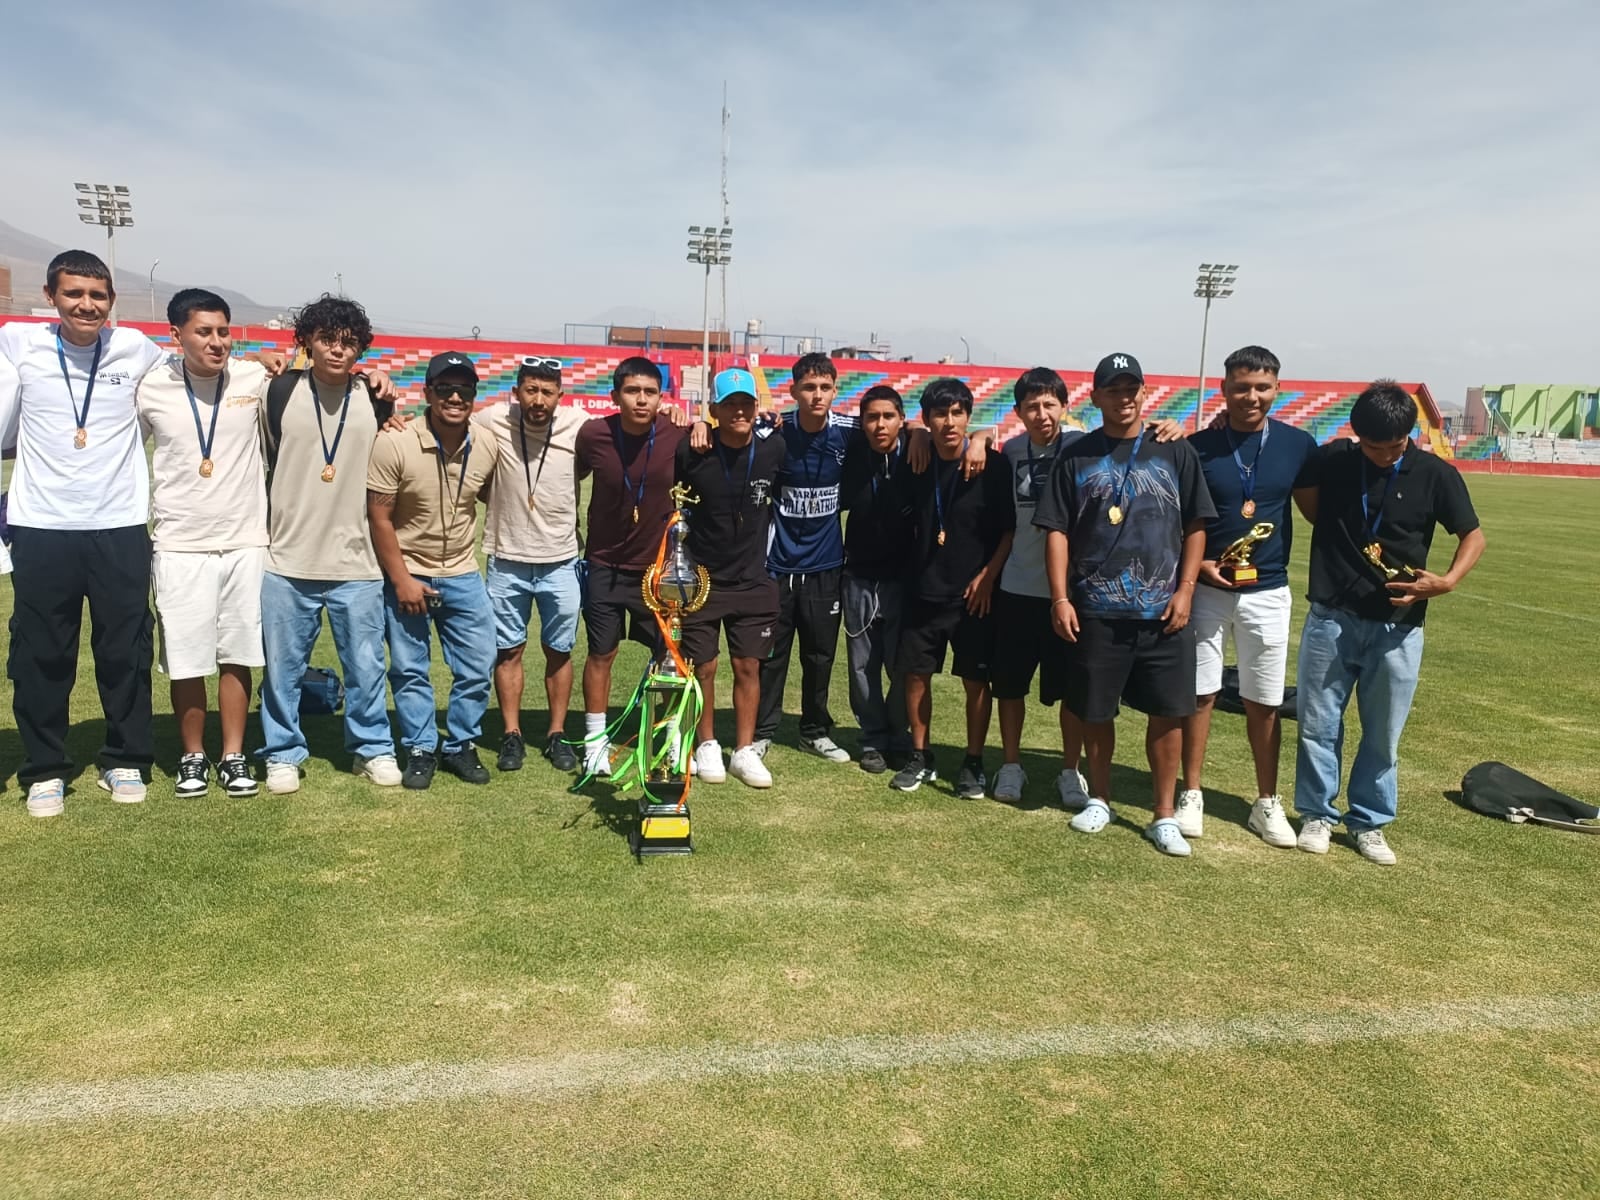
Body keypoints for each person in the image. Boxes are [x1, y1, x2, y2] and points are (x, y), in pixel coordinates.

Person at [0, 250, 167, 814]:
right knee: (42, 652)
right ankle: (45, 767)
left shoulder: (136, 350)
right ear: (51, 297)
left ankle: (126, 759)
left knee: (125, 650)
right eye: (74, 294)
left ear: (111, 301)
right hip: (43, 527)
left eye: (97, 295)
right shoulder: (17, 343)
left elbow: (198, 369)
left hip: (119, 524)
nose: (86, 304)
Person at [1294, 379, 1484, 865]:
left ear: (1410, 435)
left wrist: (1446, 582)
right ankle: (1317, 814)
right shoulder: (1334, 459)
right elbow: (1308, 501)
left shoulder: (1435, 474)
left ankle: (1369, 823)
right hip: (1331, 619)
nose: (1382, 455)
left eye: (1393, 447)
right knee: (1318, 724)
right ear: (1356, 435)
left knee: (1383, 733)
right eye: (1372, 447)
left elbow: (1473, 536)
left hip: (1399, 627)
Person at [1036, 352, 1215, 856]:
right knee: (1096, 712)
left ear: (1145, 391)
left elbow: (1197, 525)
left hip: (1163, 612)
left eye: (1132, 387)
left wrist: (1185, 591)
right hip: (1096, 608)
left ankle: (1163, 814)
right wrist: (1060, 598)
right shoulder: (1076, 455)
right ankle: (1102, 798)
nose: (1125, 397)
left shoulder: (1174, 450)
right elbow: (1056, 531)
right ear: (1095, 398)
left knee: (1168, 714)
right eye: (1113, 389)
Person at [258, 293, 399, 793]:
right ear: (307, 342)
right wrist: (260, 357)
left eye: (348, 343)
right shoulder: (278, 391)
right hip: (286, 557)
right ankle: (281, 752)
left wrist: (383, 384)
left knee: (365, 667)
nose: (338, 351)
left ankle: (372, 748)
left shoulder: (376, 396)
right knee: (282, 669)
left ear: (360, 348)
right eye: (327, 340)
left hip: (356, 561)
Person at [135, 288, 273, 798]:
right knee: (187, 656)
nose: (217, 343)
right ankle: (193, 756)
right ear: (177, 336)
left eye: (223, 331)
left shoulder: (255, 378)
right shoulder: (150, 388)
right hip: (179, 544)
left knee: (239, 653)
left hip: (245, 542)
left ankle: (234, 755)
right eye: (204, 332)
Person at [1179, 345, 1318, 846]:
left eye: (1262, 387)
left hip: (1268, 591)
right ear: (1224, 390)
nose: (1251, 397)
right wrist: (1200, 566)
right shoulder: (1197, 446)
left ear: (1277, 389)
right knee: (1200, 693)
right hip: (1209, 589)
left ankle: (1266, 802)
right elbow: (1180, 521)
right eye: (1241, 387)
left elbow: (1316, 513)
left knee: (1265, 699)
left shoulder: (1298, 445)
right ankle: (1190, 793)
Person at [366, 352, 498, 789]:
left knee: (478, 665)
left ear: (475, 397)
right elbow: (379, 518)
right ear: (428, 393)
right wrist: (401, 579)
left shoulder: (487, 443)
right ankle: (421, 747)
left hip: (462, 571)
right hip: (409, 571)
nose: (455, 396)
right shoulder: (395, 442)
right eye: (445, 388)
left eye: (464, 389)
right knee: (409, 669)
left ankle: (460, 744)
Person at [890, 378, 1010, 797]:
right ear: (927, 419)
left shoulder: (992, 466)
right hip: (922, 591)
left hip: (973, 597)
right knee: (917, 677)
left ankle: (973, 762)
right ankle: (920, 755)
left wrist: (988, 576)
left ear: (968, 417)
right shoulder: (915, 459)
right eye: (940, 414)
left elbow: (1008, 531)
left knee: (976, 683)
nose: (949, 421)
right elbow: (886, 427)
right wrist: (914, 434)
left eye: (958, 413)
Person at [573, 358, 687, 776]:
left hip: (657, 571)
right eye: (632, 391)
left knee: (669, 657)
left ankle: (672, 740)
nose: (641, 399)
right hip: (605, 564)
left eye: (650, 392)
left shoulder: (678, 434)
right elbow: (575, 471)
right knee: (602, 653)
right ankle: (595, 743)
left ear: (661, 397)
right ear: (615, 396)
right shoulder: (594, 434)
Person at [675, 368, 786, 788]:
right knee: (703, 666)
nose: (739, 411)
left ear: (756, 408)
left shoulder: (774, 448)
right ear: (714, 409)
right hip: (703, 580)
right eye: (729, 404)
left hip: (754, 579)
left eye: (746, 403)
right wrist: (694, 425)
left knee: (748, 666)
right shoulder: (693, 451)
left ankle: (742, 751)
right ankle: (706, 744)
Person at [988, 368, 1093, 807]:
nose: (1041, 413)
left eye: (1050, 404)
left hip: (1070, 597)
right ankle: (1011, 764)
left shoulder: (1083, 447)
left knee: (1073, 690)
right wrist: (979, 437)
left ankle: (1071, 770)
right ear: (1018, 412)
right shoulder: (1010, 451)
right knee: (1009, 686)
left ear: (1065, 408)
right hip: (1016, 588)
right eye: (1031, 406)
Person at [478, 356, 584, 773]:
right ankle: (511, 734)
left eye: (548, 392)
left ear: (561, 394)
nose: (539, 400)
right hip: (507, 558)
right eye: (531, 391)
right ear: (516, 392)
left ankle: (557, 733)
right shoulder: (493, 419)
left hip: (561, 559)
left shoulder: (578, 425)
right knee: (508, 651)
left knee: (559, 651)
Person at [754, 353, 853, 764]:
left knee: (819, 655)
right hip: (777, 567)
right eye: (808, 387)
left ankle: (814, 731)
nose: (817, 395)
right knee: (772, 655)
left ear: (835, 390)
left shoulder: (849, 434)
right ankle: (760, 732)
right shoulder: (774, 434)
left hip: (826, 568)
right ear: (793, 391)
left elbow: (905, 432)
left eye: (824, 387)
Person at [839, 385, 916, 775]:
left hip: (904, 579)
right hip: (858, 577)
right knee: (861, 665)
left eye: (888, 416)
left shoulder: (919, 453)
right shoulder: (852, 452)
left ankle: (899, 736)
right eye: (872, 417)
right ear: (862, 422)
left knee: (903, 665)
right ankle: (872, 738)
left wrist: (919, 434)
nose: (880, 424)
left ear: (902, 419)